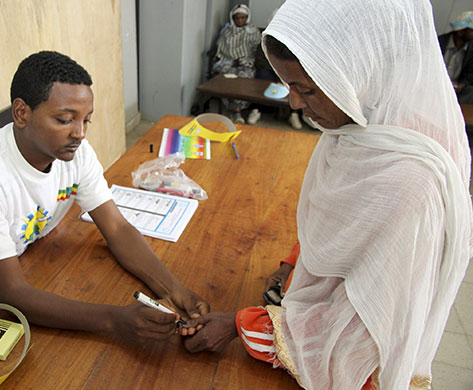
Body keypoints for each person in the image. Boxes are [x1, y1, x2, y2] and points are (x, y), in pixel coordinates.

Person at [182, 0, 473, 389]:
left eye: (305, 89)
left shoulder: (410, 182)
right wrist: (294, 262)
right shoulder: (363, 126)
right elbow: (348, 226)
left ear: (357, 72)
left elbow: (353, 340)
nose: (294, 103)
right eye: (289, 86)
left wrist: (240, 324)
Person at [0, 51, 209, 342]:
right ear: (21, 113)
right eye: (64, 120)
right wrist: (115, 320)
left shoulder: (75, 153)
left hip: (30, 266)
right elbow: (11, 293)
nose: (80, 133)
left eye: (87, 120)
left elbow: (117, 228)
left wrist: (173, 289)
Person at [211, 4, 261, 124]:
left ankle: (237, 110)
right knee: (227, 79)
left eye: (243, 18)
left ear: (247, 18)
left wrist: (243, 59)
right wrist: (232, 59)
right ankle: (235, 111)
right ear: (232, 19)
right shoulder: (227, 31)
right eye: (237, 18)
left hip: (246, 63)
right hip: (228, 62)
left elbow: (256, 50)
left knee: (244, 79)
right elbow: (222, 48)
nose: (240, 20)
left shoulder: (253, 31)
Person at [439, 11, 473, 104]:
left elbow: (470, 73)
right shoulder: (439, 43)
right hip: (435, 83)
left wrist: (461, 85)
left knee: (470, 91)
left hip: (456, 89)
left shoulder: (471, 49)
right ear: (461, 32)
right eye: (471, 31)